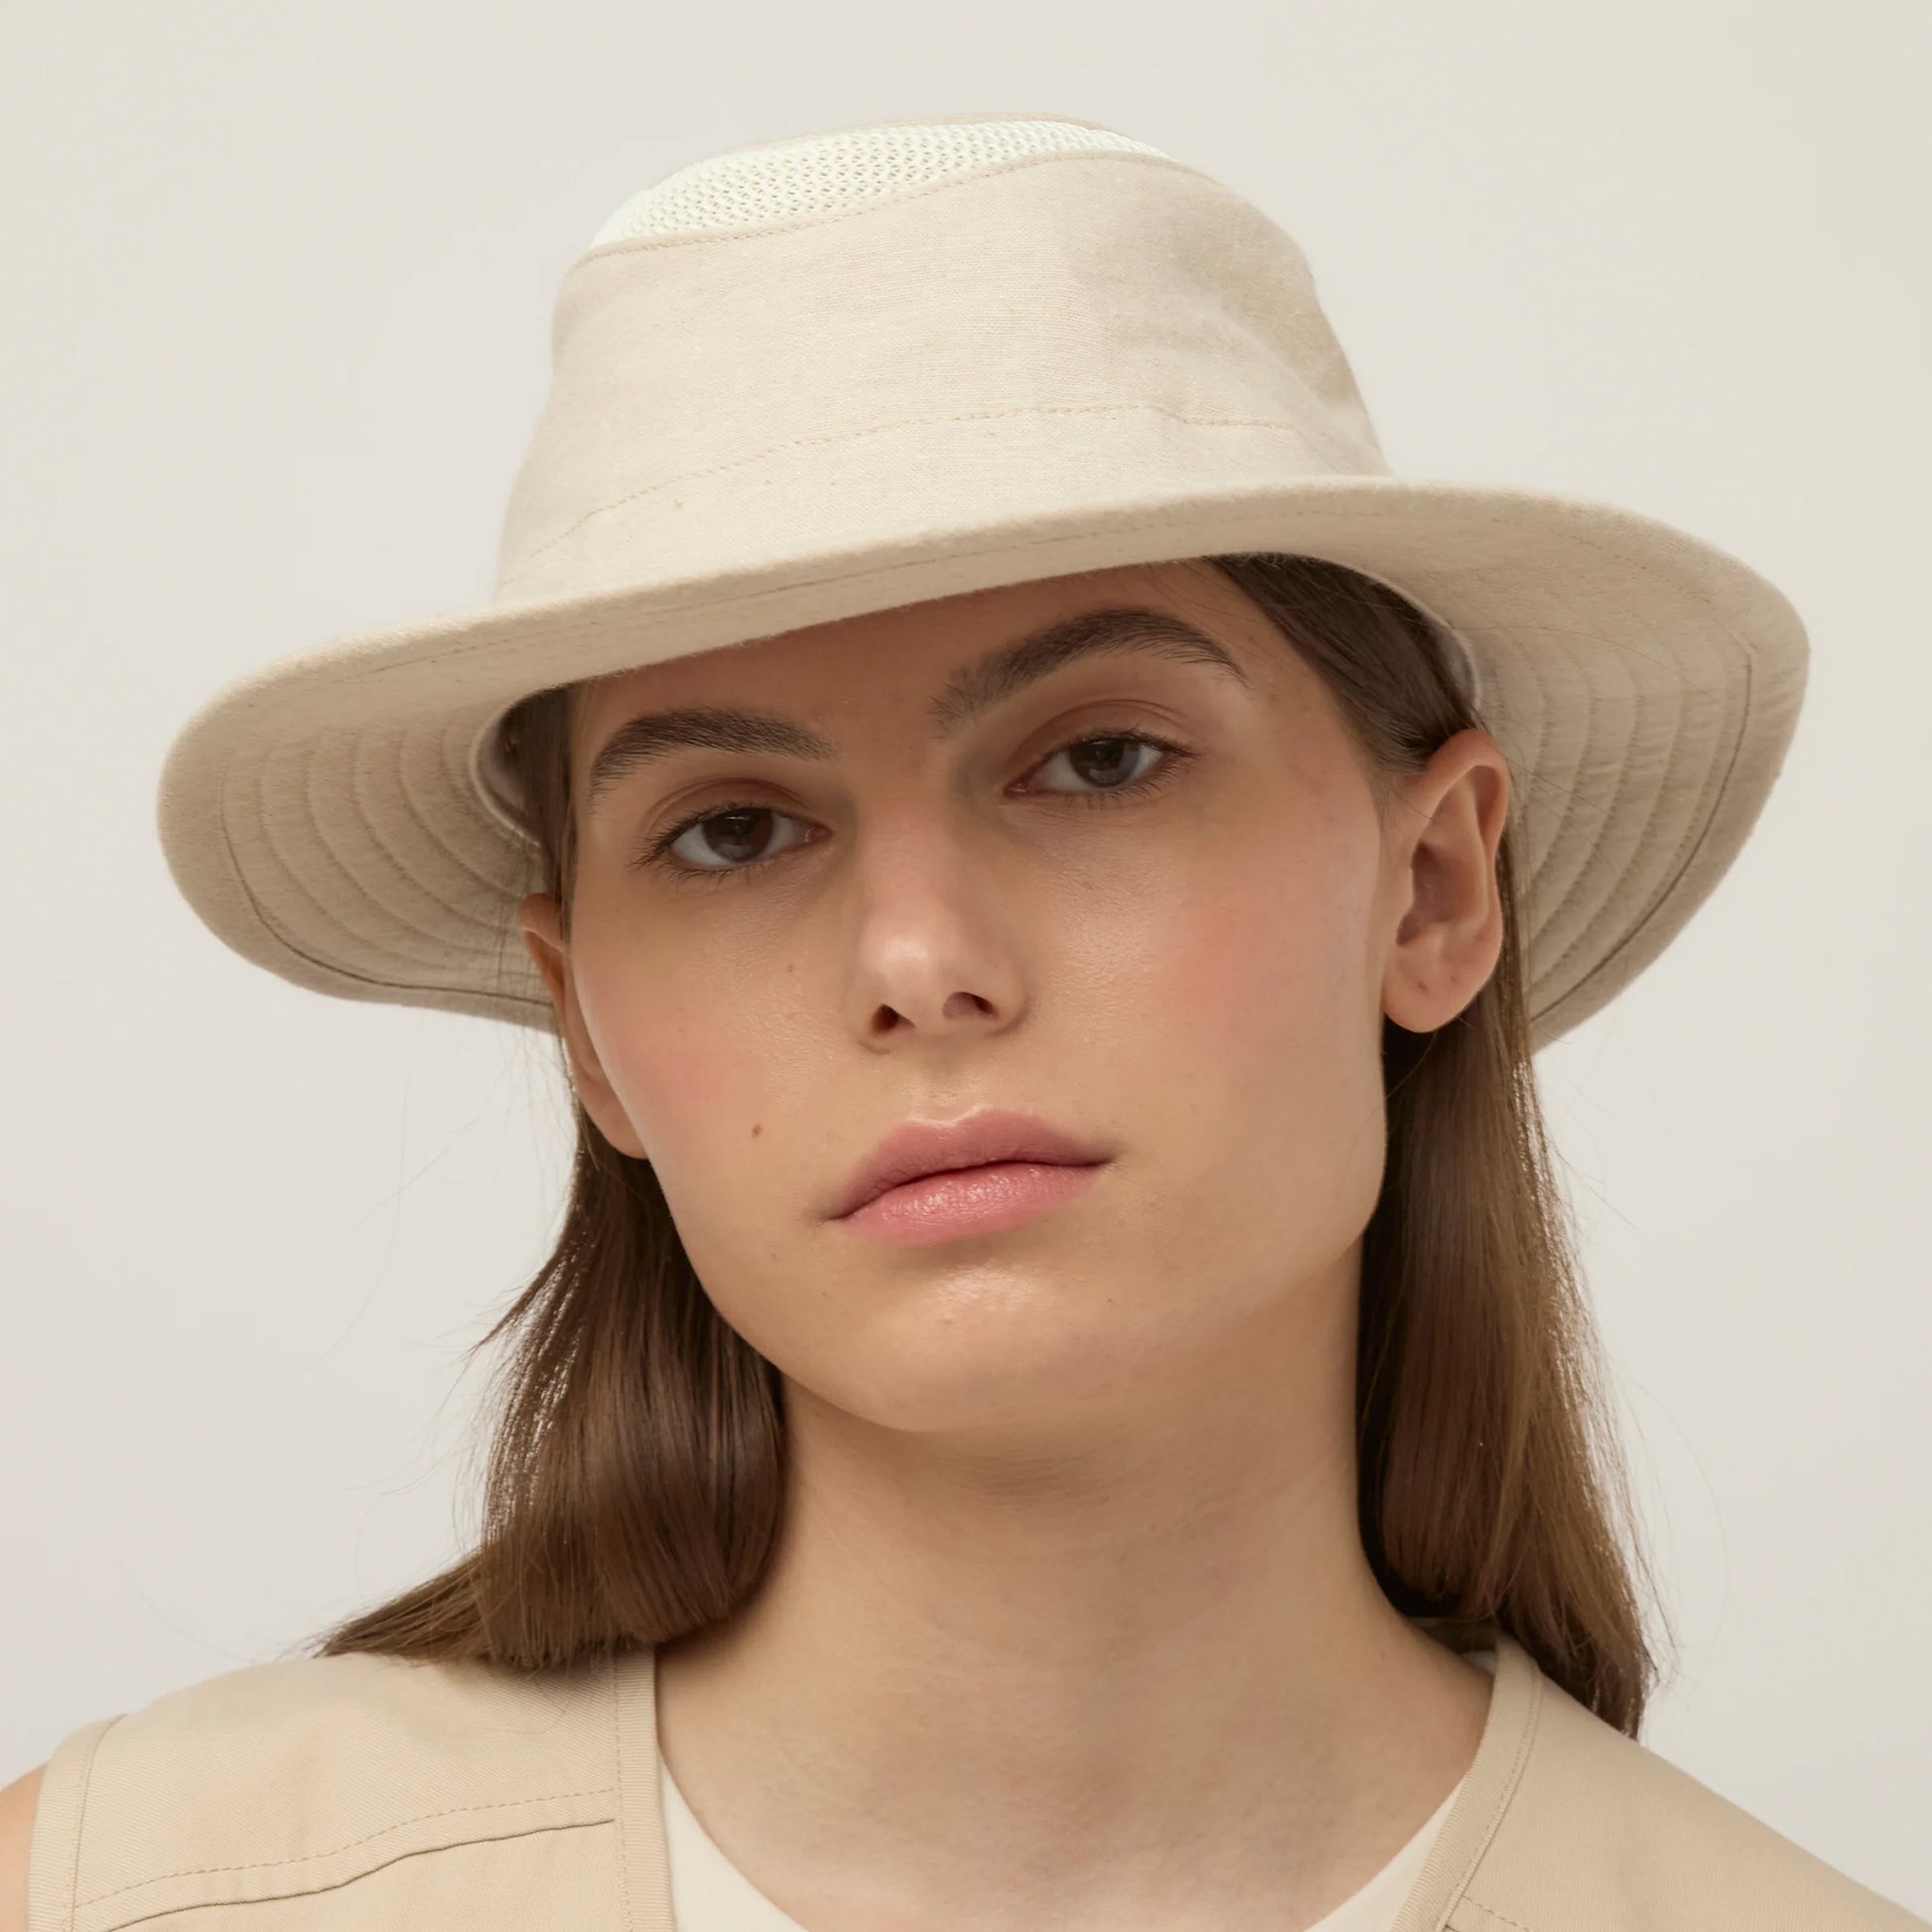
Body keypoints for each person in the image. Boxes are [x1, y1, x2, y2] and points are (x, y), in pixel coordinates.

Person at [5, 112, 1923, 1932]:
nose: (919, 960)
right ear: (584, 1025)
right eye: (731, 828)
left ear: (1430, 887)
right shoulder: (123, 1892)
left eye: (1098, 759)